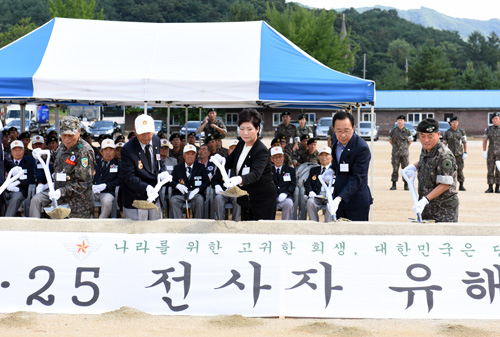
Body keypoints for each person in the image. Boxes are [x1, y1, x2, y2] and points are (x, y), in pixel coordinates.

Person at [216, 108, 277, 221]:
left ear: (258, 129)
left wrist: (239, 179)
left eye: (249, 129)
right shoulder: (241, 144)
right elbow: (230, 161)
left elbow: (255, 174)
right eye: (242, 129)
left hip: (262, 200)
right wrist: (221, 161)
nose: (245, 133)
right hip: (246, 199)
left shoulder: (261, 150)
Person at [30, 116, 96, 218]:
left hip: (78, 207)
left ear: (78, 131)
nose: (67, 139)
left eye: (70, 135)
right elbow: (57, 157)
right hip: (61, 203)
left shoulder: (84, 152)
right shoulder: (63, 146)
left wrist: (62, 191)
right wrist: (42, 153)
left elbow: (83, 184)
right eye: (64, 135)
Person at [402, 118, 459, 222]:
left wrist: (425, 200)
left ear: (438, 134)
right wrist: (414, 166)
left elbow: (445, 184)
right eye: (422, 136)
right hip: (427, 208)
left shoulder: (445, 155)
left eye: (430, 136)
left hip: (443, 210)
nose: (426, 140)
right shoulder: (426, 148)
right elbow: (426, 161)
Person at [120, 114, 168, 221]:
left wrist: (163, 171)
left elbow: (158, 160)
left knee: (155, 230)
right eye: (142, 133)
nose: (146, 136)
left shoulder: (156, 141)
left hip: (155, 196)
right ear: (135, 131)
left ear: (154, 130)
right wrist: (145, 187)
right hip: (136, 198)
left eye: (149, 132)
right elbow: (128, 177)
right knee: (137, 233)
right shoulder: (128, 149)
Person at [328, 111, 372, 221]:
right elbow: (337, 161)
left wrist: (339, 198)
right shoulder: (335, 140)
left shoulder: (361, 148)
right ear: (334, 129)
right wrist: (331, 170)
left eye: (346, 131)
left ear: (353, 128)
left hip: (357, 201)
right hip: (338, 199)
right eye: (338, 131)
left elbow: (357, 178)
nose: (342, 135)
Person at [170, 144, 210, 219]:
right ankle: (178, 224)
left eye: (192, 154)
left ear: (195, 156)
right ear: (184, 156)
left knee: (200, 200)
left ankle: (197, 225)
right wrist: (178, 186)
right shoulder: (177, 168)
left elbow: (207, 181)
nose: (190, 156)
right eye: (188, 154)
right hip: (181, 194)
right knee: (173, 200)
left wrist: (198, 190)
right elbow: (171, 181)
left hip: (195, 194)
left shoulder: (200, 167)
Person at [3, 140, 35, 216]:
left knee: (15, 198)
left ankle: (7, 221)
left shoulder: (29, 163)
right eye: (15, 150)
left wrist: (19, 182)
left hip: (20, 190)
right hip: (6, 190)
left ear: (23, 151)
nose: (18, 152)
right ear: (11, 151)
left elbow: (31, 179)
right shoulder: (6, 162)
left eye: (20, 150)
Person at [92, 139, 121, 218]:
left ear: (114, 151)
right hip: (93, 190)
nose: (108, 152)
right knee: (83, 197)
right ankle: (88, 219)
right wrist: (92, 186)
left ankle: (101, 221)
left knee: (107, 201)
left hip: (107, 192)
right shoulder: (95, 163)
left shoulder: (119, 164)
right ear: (101, 152)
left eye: (111, 149)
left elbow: (120, 180)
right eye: (105, 150)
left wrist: (106, 185)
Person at [304, 146, 334, 222]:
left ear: (331, 157)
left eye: (326, 155)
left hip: (330, 197)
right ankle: (314, 225)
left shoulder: (335, 170)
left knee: (331, 204)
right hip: (317, 196)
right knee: (310, 202)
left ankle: (328, 226)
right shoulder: (314, 170)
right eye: (321, 155)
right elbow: (307, 183)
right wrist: (310, 191)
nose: (324, 157)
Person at [270, 146, 296, 220]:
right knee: (266, 203)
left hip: (285, 197)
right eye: (275, 157)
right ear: (272, 159)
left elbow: (293, 184)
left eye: (280, 156)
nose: (278, 159)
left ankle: (286, 225)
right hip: (271, 197)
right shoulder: (268, 171)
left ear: (283, 157)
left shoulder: (290, 170)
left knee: (289, 203)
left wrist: (286, 193)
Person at [389, 115, 413, 190]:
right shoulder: (393, 130)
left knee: (405, 169)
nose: (400, 122)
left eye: (401, 120)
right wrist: (395, 147)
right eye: (399, 120)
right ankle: (394, 184)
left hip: (404, 153)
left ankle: (406, 184)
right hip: (395, 153)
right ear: (397, 121)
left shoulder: (407, 131)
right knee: (395, 169)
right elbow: (390, 140)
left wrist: (404, 148)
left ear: (404, 122)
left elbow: (409, 141)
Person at [443, 116, 467, 191]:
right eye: (453, 122)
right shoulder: (447, 132)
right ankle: (450, 185)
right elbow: (444, 143)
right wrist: (444, 153)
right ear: (450, 123)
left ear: (458, 123)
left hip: (459, 154)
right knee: (450, 170)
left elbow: (464, 142)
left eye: (456, 122)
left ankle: (461, 185)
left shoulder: (461, 131)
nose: (454, 123)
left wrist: (465, 152)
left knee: (460, 169)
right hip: (450, 154)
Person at [483, 112, 500, 193]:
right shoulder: (488, 129)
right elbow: (485, 140)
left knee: (498, 171)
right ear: (492, 120)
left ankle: (497, 187)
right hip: (490, 153)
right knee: (490, 170)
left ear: (499, 119)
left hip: (499, 154)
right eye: (493, 119)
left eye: (496, 118)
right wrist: (484, 151)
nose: (495, 120)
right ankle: (490, 187)